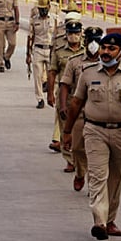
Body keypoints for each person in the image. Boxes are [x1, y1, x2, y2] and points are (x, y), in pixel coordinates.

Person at [62, 33, 121, 241]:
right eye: (103, 48)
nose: (105, 52)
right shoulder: (87, 72)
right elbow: (76, 103)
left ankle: (110, 220)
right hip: (94, 130)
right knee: (97, 175)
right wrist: (67, 131)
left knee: (115, 176)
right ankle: (99, 222)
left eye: (111, 49)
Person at [58, 25, 103, 192]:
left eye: (97, 41)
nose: (93, 44)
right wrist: (63, 105)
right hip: (79, 114)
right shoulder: (75, 61)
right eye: (90, 40)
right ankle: (80, 172)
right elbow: (64, 85)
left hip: (99, 116)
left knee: (96, 151)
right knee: (77, 148)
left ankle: (94, 182)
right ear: (85, 41)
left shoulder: (107, 63)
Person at [49, 19, 85, 173]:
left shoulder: (88, 50)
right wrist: (50, 93)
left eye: (76, 33)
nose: (74, 36)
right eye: (71, 33)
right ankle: (69, 160)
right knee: (66, 129)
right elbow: (52, 72)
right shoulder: (59, 51)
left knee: (83, 132)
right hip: (66, 95)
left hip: (84, 96)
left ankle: (80, 160)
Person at [27, 0, 57, 109]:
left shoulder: (55, 19)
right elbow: (30, 37)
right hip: (38, 49)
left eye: (44, 9)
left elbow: (58, 36)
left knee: (52, 76)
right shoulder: (34, 20)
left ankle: (51, 94)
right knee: (38, 76)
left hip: (50, 50)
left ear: (49, 7)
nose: (42, 11)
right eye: (40, 9)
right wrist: (28, 54)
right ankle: (39, 98)